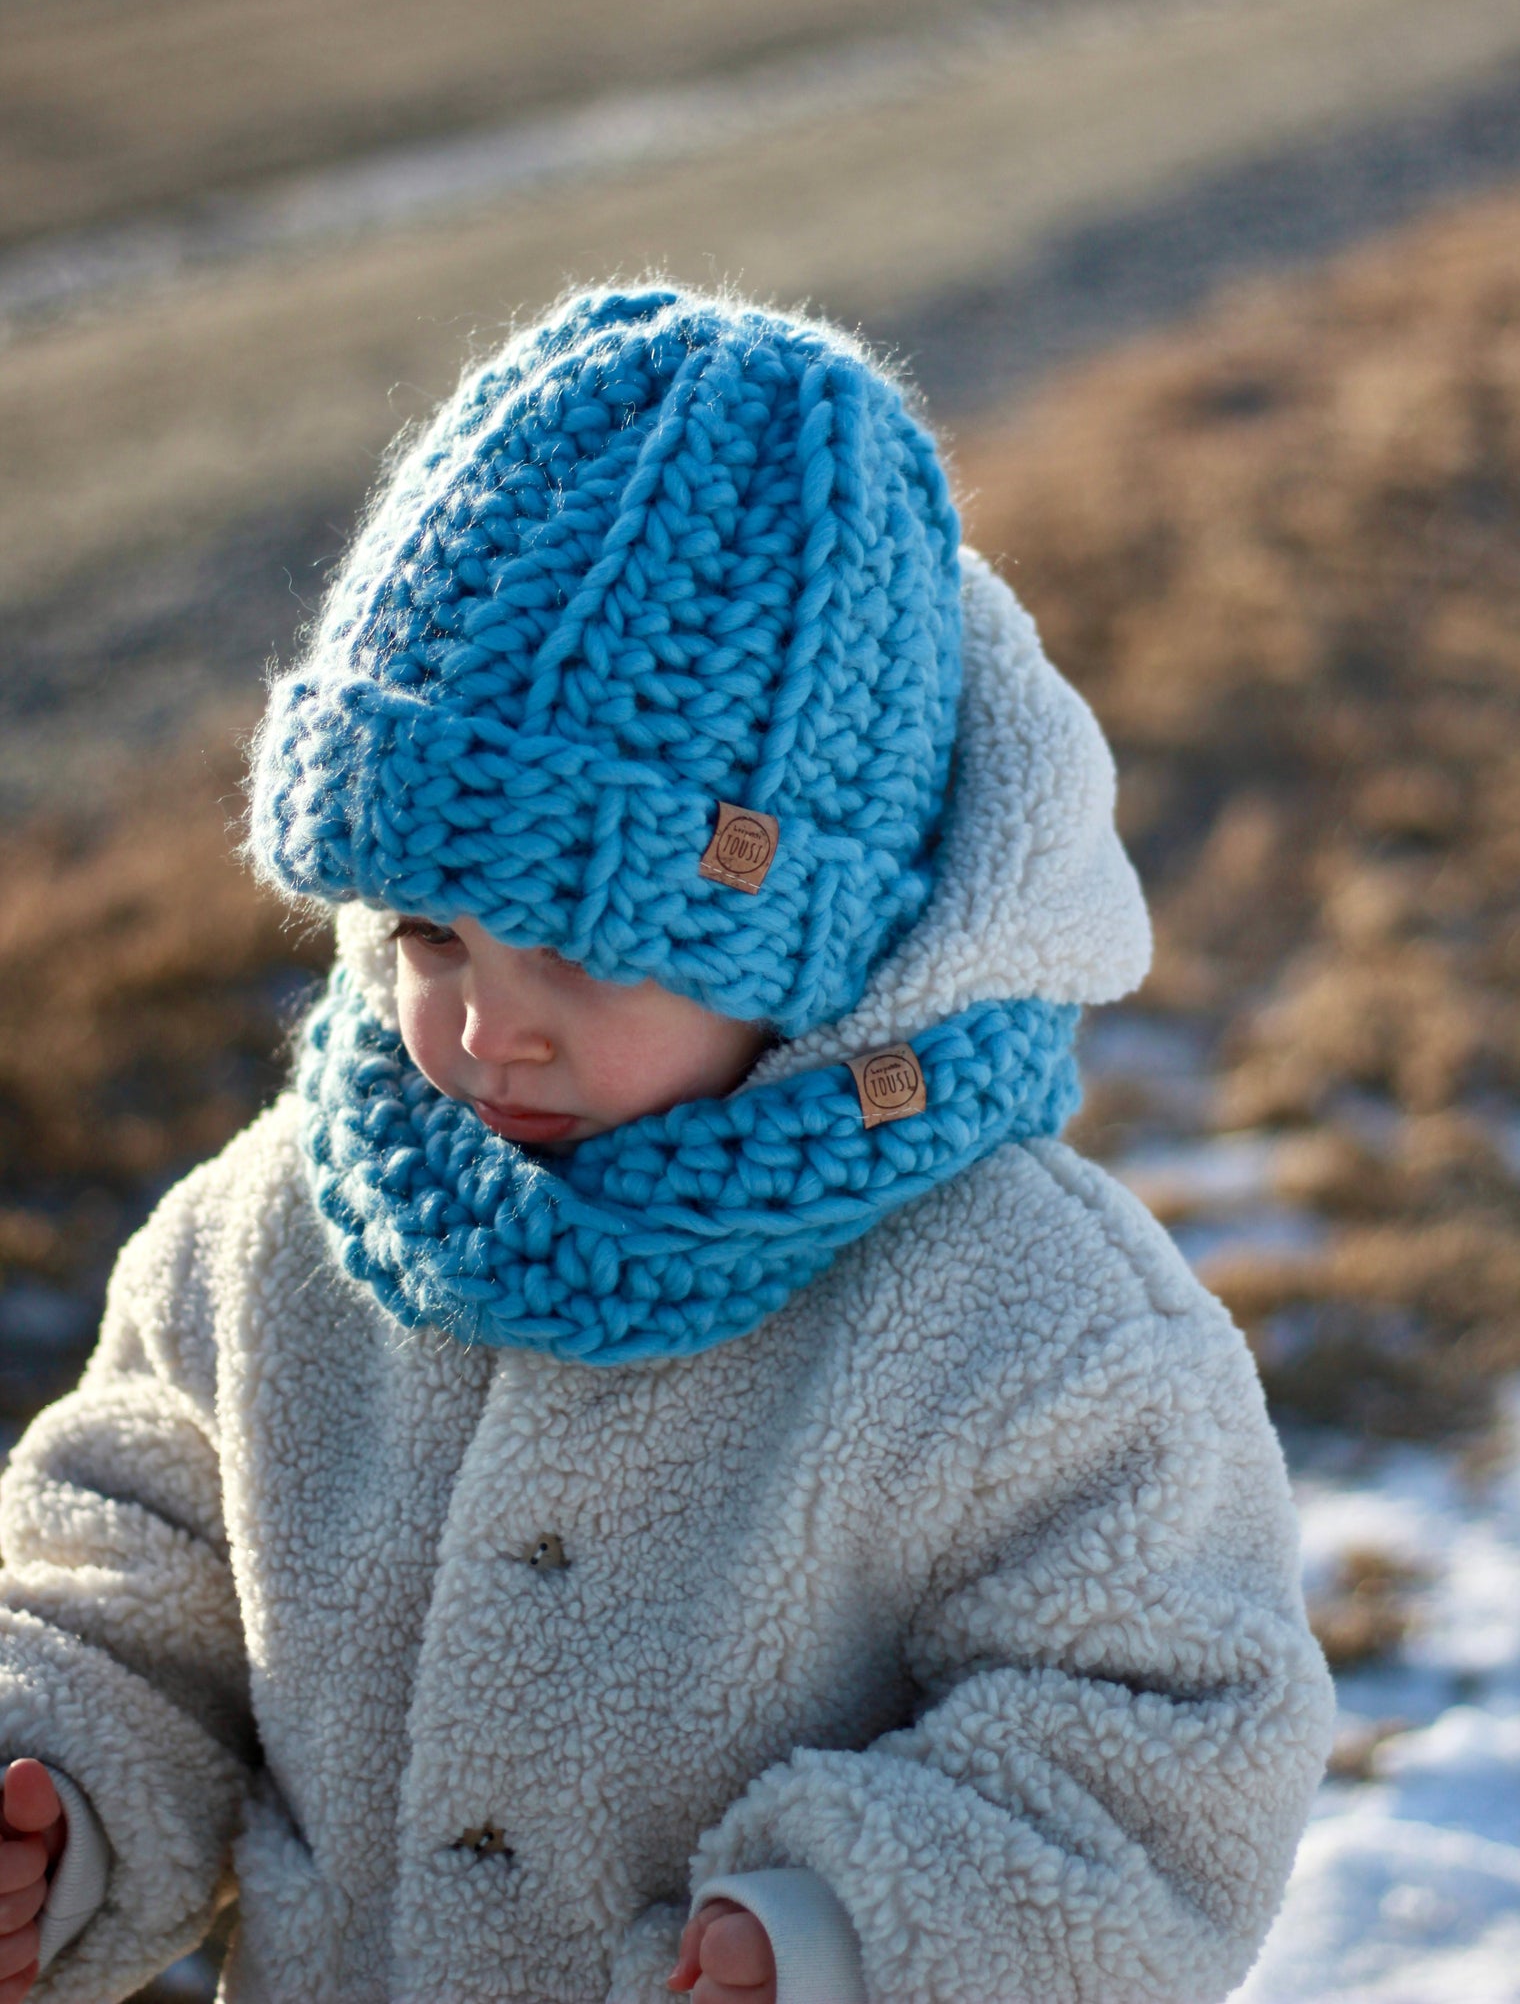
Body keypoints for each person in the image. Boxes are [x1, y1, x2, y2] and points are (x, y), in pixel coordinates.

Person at [0, 287, 1333, 2004]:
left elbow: (1166, 1739)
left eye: (589, 951)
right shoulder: (270, 1239)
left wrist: (854, 1941)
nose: (486, 1028)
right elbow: (131, 1574)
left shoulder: (1028, 1320)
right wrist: (65, 1788)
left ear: (806, 951)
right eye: (427, 934)